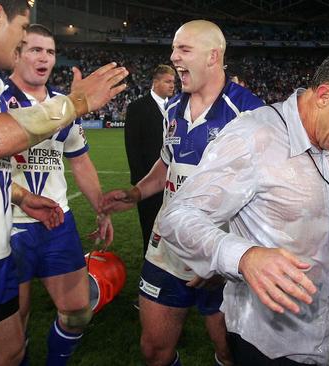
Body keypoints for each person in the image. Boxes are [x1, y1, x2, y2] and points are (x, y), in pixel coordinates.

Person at [158, 42, 329, 365]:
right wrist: (244, 257)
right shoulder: (253, 137)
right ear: (325, 96)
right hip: (268, 345)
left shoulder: (328, 135)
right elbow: (177, 215)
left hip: (321, 333)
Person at [0, 1, 127, 365]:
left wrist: (18, 194)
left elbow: (78, 162)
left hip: (6, 235)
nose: (23, 45)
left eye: (49, 50)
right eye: (24, 35)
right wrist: (76, 103)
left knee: (11, 348)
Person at [100, 20, 263, 366]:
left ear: (213, 56)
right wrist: (135, 193)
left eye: (184, 49)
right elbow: (165, 167)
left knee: (229, 353)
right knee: (153, 350)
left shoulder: (250, 113)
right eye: (174, 49)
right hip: (168, 246)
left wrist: (228, 255)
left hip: (221, 254)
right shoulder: (174, 109)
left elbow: (265, 194)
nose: (173, 57)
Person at [6, 24, 115, 366]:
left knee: (78, 312)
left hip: (58, 223)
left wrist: (101, 209)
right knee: (13, 328)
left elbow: (81, 163)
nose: (44, 58)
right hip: (10, 223)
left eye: (50, 52)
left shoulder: (64, 106)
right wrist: (20, 195)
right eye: (35, 50)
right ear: (16, 54)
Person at [124, 64, 176, 256]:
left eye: (174, 82)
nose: (172, 85)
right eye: (168, 81)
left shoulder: (177, 107)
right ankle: (150, 267)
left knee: (172, 227)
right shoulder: (137, 108)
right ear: (156, 83)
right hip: (148, 181)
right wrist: (141, 182)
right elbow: (133, 148)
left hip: (173, 181)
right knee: (150, 227)